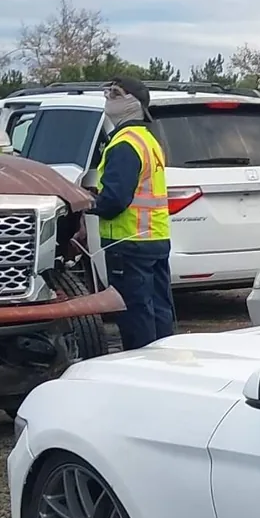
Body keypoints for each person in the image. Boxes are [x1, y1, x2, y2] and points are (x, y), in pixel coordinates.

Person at [88, 78, 175, 349]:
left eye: (115, 94)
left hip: (129, 242)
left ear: (133, 103)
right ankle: (163, 358)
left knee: (136, 315)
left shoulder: (124, 144)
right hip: (154, 238)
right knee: (158, 310)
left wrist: (87, 202)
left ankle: (141, 363)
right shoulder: (148, 140)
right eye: (107, 92)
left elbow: (114, 201)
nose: (108, 98)